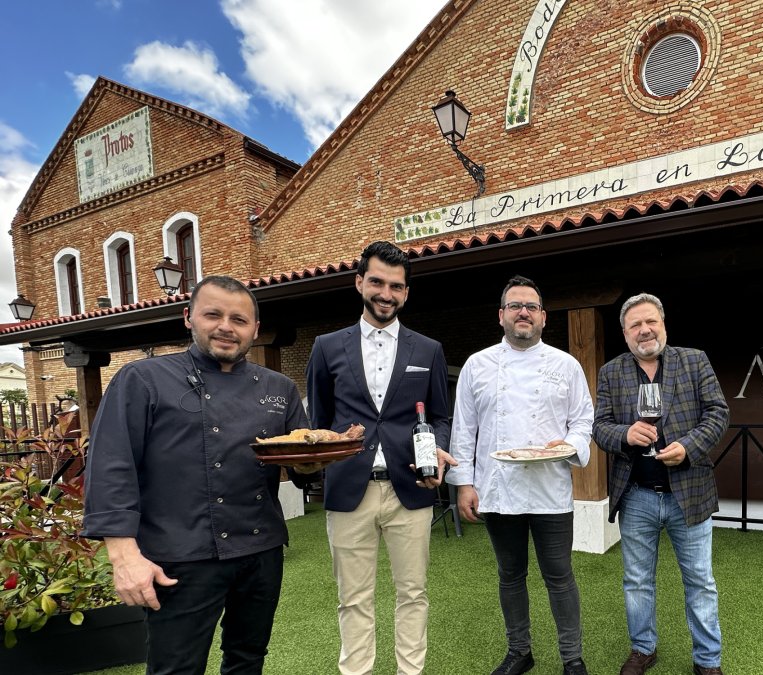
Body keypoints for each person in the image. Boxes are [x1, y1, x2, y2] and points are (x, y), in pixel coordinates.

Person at [83, 275, 308, 674]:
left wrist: (314, 464)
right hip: (180, 555)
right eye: (213, 314)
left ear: (254, 330)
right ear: (188, 317)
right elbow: (111, 466)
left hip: (260, 550)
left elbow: (301, 460)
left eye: (239, 319)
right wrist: (123, 556)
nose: (226, 326)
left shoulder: (279, 388)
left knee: (248, 658)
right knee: (176, 668)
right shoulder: (143, 379)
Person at [303, 240, 454, 675]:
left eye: (396, 286)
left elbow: (441, 416)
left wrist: (439, 450)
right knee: (353, 597)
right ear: (359, 283)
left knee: (414, 593)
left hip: (412, 488)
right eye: (377, 282)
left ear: (406, 293)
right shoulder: (326, 347)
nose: (386, 293)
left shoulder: (427, 350)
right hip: (350, 488)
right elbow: (321, 417)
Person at [446, 275, 593, 675]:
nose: (523, 312)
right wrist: (463, 484)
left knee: (560, 577)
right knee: (510, 576)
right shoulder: (478, 365)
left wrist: (570, 446)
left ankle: (572, 658)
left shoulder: (566, 364)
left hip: (550, 489)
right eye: (515, 306)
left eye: (530, 306)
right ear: (501, 316)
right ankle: (519, 651)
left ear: (543, 317)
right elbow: (464, 429)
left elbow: (582, 421)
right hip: (497, 488)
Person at [593, 293, 730, 675]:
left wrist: (687, 447)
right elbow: (599, 427)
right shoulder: (611, 372)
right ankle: (643, 648)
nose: (645, 330)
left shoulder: (694, 360)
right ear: (625, 333)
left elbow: (718, 414)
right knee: (637, 582)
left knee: (700, 582)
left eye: (650, 321)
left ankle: (707, 660)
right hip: (636, 495)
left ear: (663, 324)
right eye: (635, 324)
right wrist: (624, 434)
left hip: (690, 491)